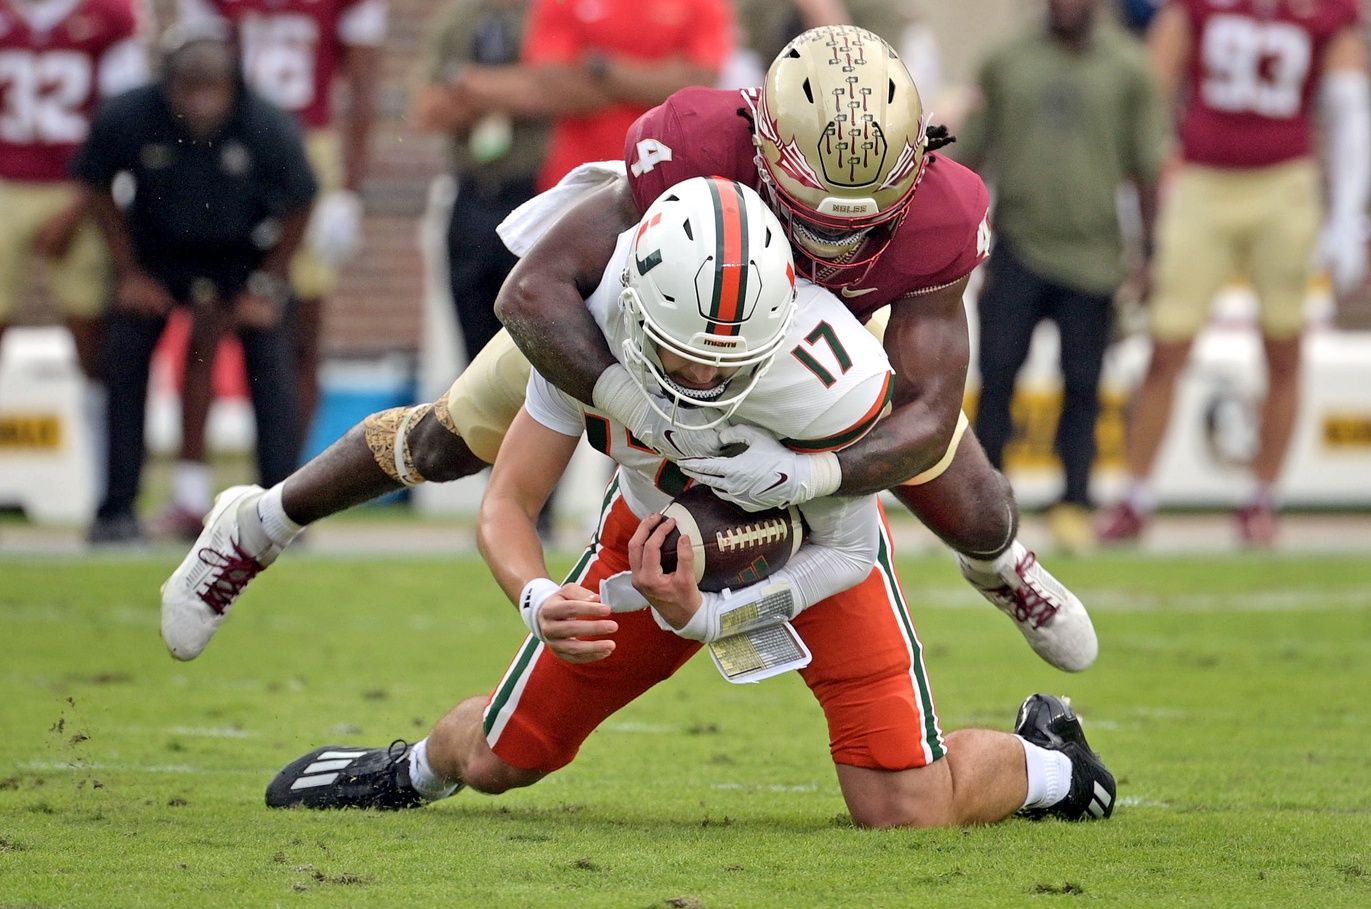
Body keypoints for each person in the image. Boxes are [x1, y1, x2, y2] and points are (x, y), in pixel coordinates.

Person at [160, 26, 1097, 678]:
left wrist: (809, 477)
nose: (839, 243)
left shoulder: (941, 210)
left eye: (865, 223)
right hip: (671, 311)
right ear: (762, 147)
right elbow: (529, 290)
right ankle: (261, 522)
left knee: (975, 501)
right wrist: (633, 405)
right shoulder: (690, 144)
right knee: (448, 441)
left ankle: (1000, 570)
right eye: (814, 216)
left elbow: (931, 407)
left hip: (814, 345)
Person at [259, 178, 1116, 828]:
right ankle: (408, 770)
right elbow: (508, 501)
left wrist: (713, 615)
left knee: (906, 806)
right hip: (650, 536)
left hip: (813, 549)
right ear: (635, 308)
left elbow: (853, 550)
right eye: (681, 356)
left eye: (727, 361)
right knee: (498, 758)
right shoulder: (586, 326)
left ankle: (1056, 766)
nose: (703, 380)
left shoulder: (831, 371)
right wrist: (538, 597)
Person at [1097, 0, 1369, 547]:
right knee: (1168, 343)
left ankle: (1262, 497)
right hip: (1203, 178)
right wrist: (1147, 178)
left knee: (1284, 344)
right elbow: (1152, 86)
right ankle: (1136, 494)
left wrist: (1347, 213)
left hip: (1285, 180)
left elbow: (1349, 108)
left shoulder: (1325, 11)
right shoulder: (1198, 7)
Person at [153, 0, 386, 537]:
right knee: (208, 316)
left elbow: (363, 86)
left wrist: (349, 189)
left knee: (301, 330)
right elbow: (193, 62)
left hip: (310, 139)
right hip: (226, 140)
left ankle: (291, 495)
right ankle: (191, 491)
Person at [75, 25, 316, 543]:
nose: (203, 102)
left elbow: (301, 199)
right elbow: (94, 184)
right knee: (125, 355)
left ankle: (283, 514)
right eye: (191, 88)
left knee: (273, 361)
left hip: (242, 257)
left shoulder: (266, 124)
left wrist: (267, 285)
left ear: (234, 86)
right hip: (157, 258)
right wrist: (129, 274)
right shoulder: (129, 115)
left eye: (215, 89)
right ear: (169, 85)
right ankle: (116, 509)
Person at [950, 0, 1168, 552]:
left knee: (1085, 384)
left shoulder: (1129, 67)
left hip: (1095, 255)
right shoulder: (1006, 61)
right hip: (1018, 244)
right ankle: (985, 504)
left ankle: (1075, 500)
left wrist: (1152, 251)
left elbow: (1147, 169)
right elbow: (968, 156)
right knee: (997, 377)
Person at [0, 0, 148, 471]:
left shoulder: (111, 14)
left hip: (80, 184)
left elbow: (124, 121)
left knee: (93, 334)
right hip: (5, 181)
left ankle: (103, 477)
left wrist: (82, 199)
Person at [412, 0, 547, 367]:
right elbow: (427, 111)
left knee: (535, 337)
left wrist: (467, 84)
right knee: (473, 341)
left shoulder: (548, 15)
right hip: (472, 189)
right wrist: (506, 89)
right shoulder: (460, 21)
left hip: (535, 189)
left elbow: (549, 92)